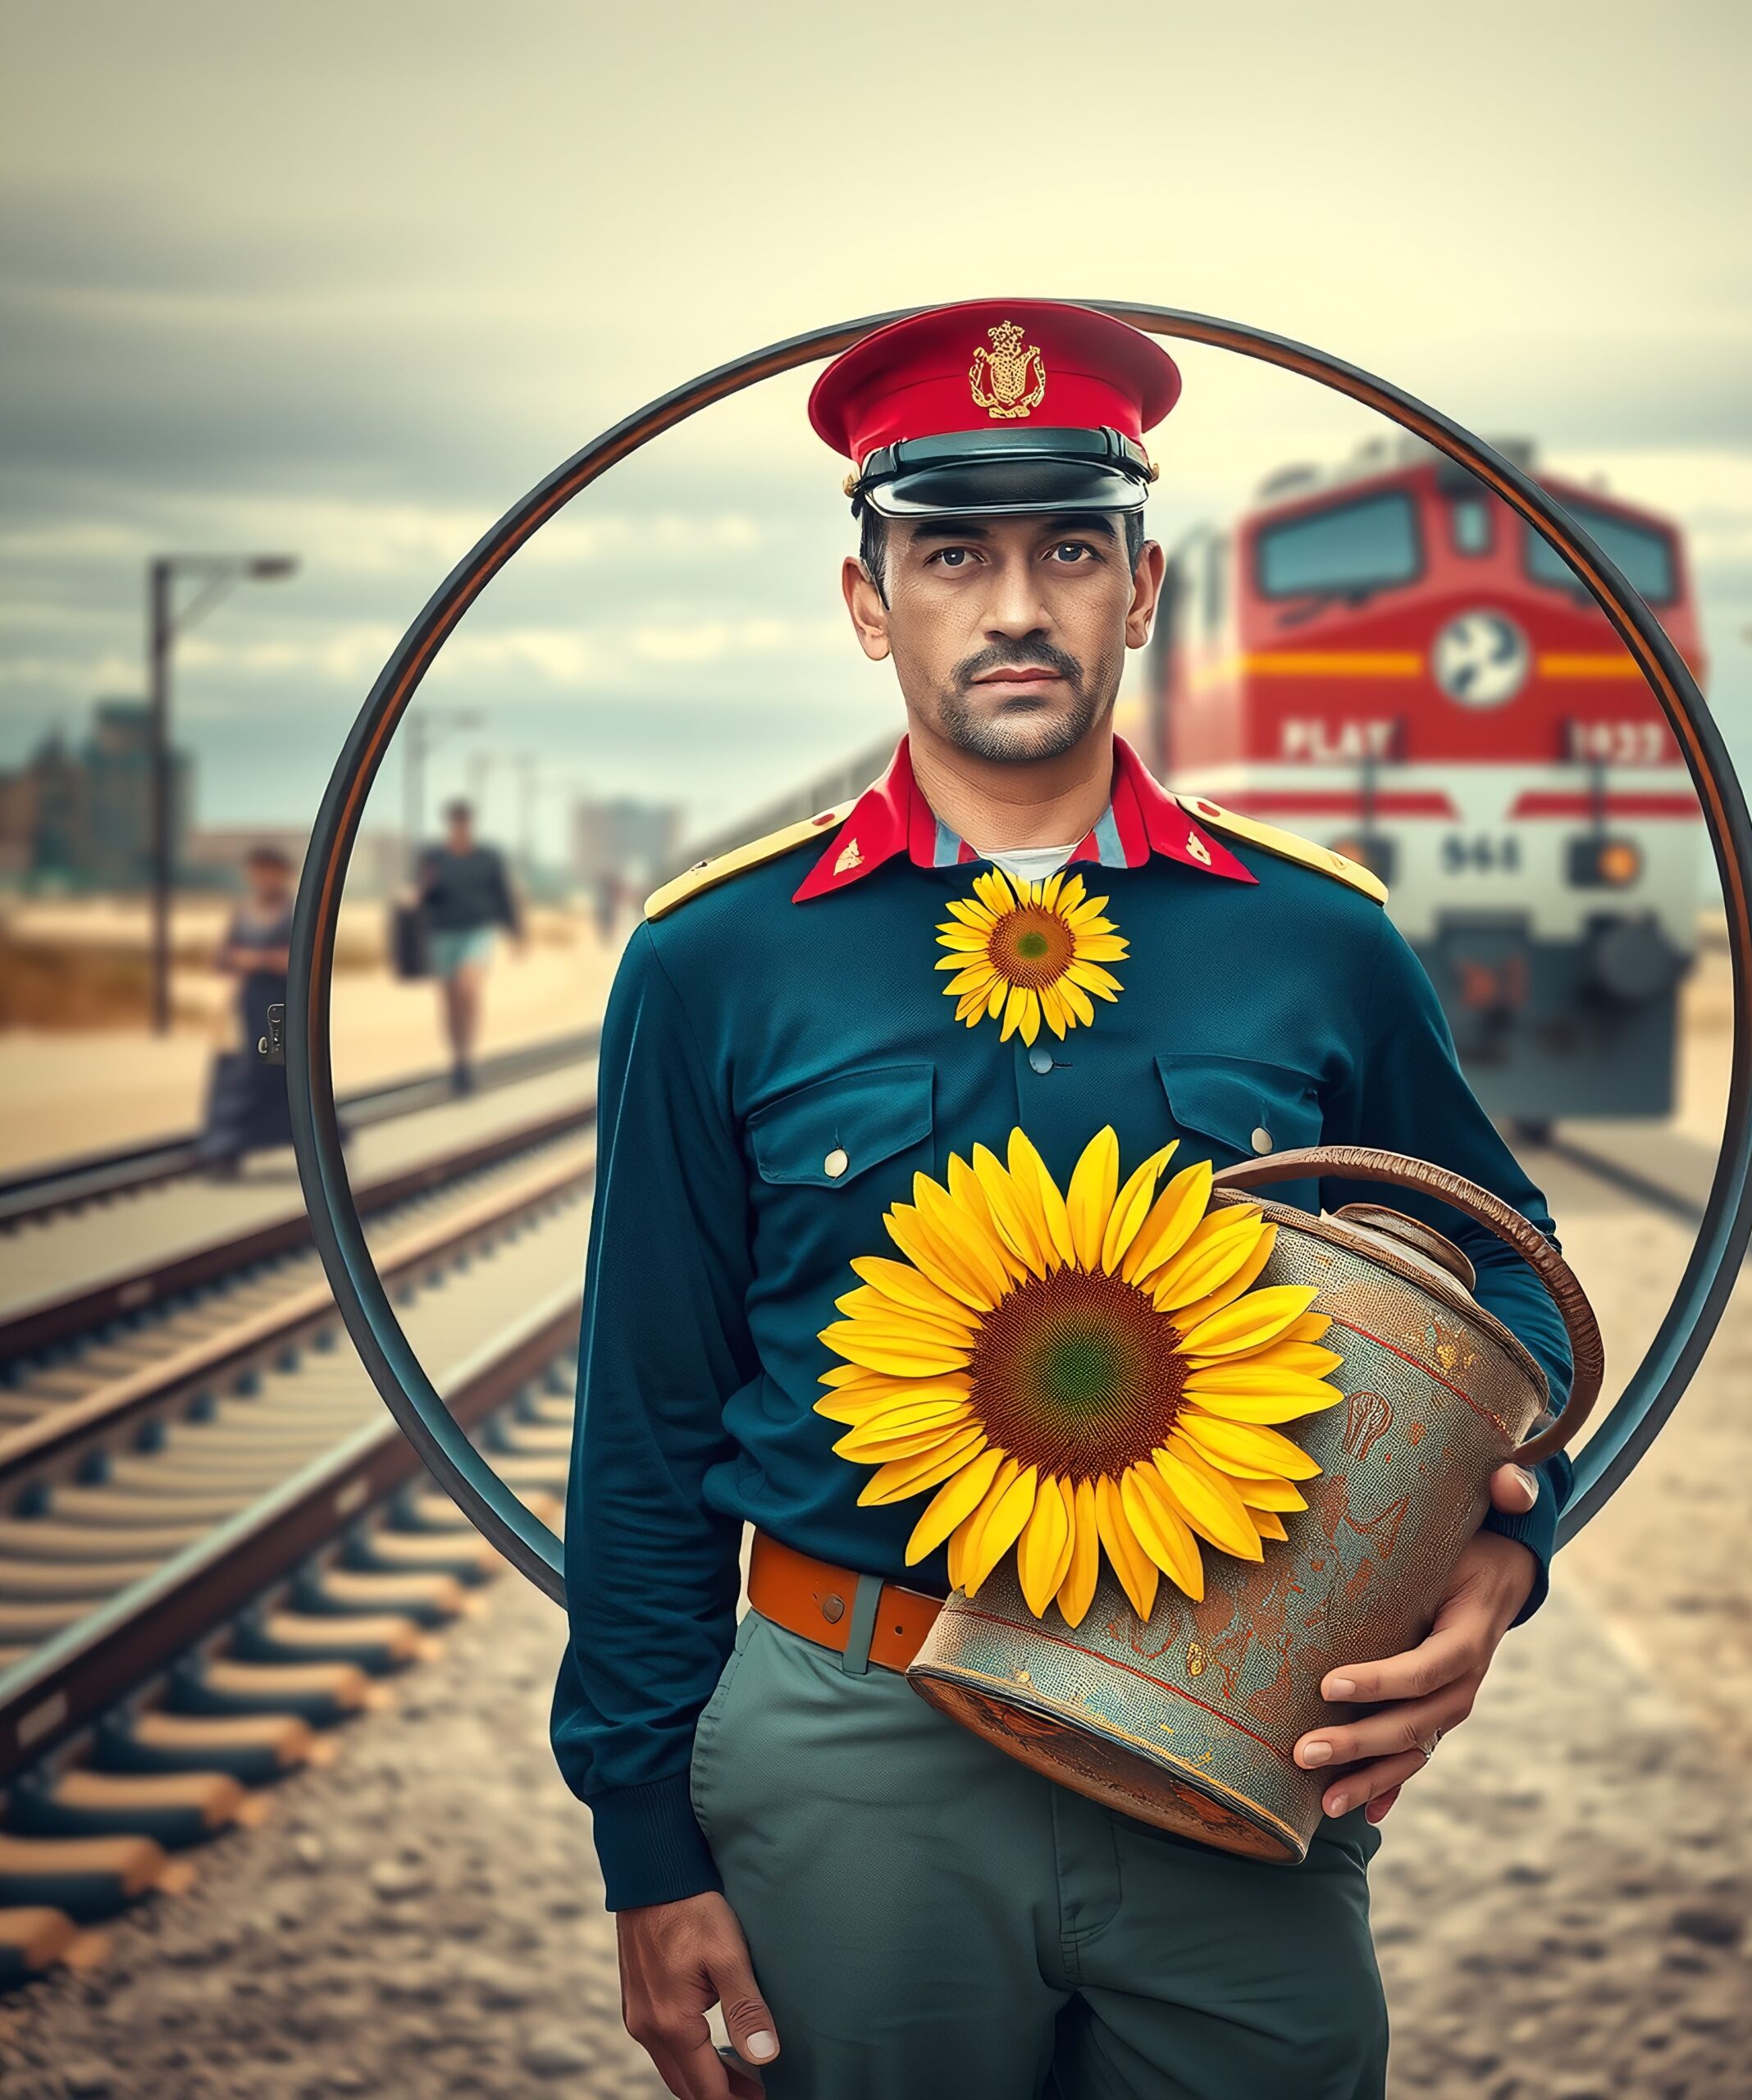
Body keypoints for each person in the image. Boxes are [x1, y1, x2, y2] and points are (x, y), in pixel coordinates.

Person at [552, 301, 1577, 2100]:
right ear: (869, 601)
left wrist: (1504, 1547)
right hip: (848, 1749)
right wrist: (644, 1841)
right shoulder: (711, 961)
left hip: (1230, 1733)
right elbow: (642, 1421)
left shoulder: (1313, 936)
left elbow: (1518, 1289)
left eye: (1067, 548)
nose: (1013, 605)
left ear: (1142, 584)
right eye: (951, 551)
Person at [196, 842, 296, 1179]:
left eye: (269, 871)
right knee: (245, 1067)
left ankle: (233, 1143)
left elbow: (299, 961)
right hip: (248, 1002)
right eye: (257, 872)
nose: (263, 879)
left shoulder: (294, 911)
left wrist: (257, 959)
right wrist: (239, 960)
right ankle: (228, 1144)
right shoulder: (244, 911)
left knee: (269, 1065)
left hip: (279, 1006)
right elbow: (222, 956)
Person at [413, 797, 524, 1093]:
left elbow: (503, 894)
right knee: (450, 1002)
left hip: (476, 932)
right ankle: (459, 1060)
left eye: (464, 822)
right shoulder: (433, 857)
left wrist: (516, 933)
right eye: (455, 822)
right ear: (450, 825)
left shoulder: (488, 858)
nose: (460, 827)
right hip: (442, 934)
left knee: (469, 989)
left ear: (470, 824)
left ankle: (467, 1057)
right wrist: (424, 887)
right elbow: (420, 897)